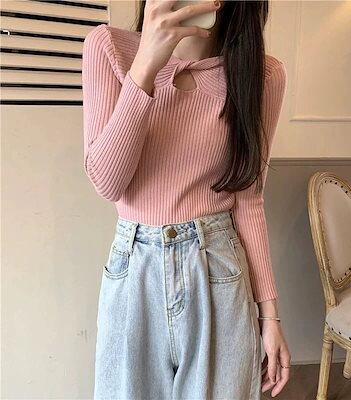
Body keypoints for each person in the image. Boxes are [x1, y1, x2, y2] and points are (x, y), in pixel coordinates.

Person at [82, 1, 290, 399]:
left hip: (219, 269)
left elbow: (249, 200)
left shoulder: (261, 75)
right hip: (135, 270)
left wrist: (270, 316)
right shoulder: (108, 48)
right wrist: (146, 64)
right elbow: (108, 183)